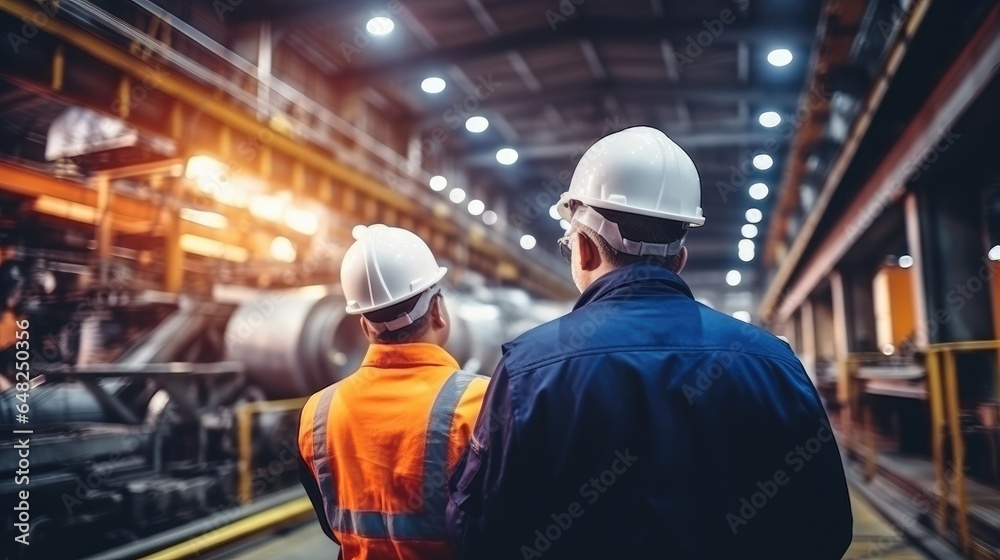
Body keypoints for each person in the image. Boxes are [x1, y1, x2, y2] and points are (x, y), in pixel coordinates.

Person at [445, 126, 853, 559]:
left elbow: (480, 533)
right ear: (679, 259)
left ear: (583, 250)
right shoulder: (773, 362)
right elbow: (827, 527)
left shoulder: (529, 369)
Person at [299, 225, 488, 560]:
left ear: (363, 324)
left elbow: (329, 522)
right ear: (437, 312)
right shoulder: (481, 402)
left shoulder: (318, 411)